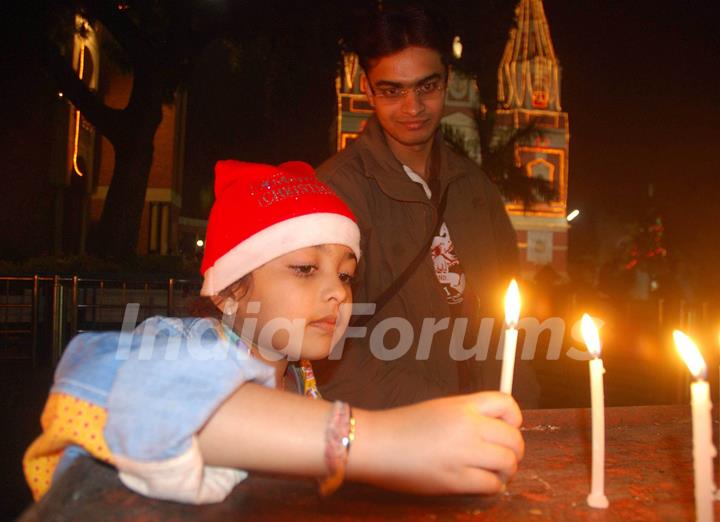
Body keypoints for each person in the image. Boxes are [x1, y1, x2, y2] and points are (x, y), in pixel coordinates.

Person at [24, 160, 524, 505]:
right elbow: (116, 383)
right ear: (229, 292)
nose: (338, 293)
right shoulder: (188, 345)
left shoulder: (302, 377)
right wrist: (382, 442)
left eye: (346, 274)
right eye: (306, 268)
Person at [314, 5, 539, 409]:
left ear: (447, 81)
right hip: (390, 439)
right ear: (367, 89)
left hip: (487, 422)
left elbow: (510, 319)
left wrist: (524, 404)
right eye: (392, 90)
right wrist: (442, 414)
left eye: (426, 87)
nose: (412, 107)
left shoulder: (475, 189)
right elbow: (324, 346)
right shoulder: (337, 192)